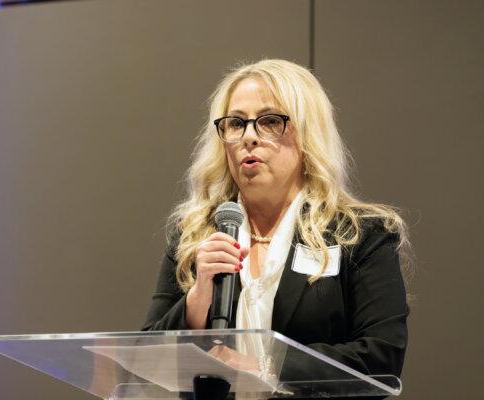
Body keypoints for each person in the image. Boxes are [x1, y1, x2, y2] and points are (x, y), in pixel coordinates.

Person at [141, 59, 411, 388]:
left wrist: (264, 367)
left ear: (308, 133)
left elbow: (380, 359)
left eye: (269, 121)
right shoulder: (194, 235)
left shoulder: (361, 235)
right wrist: (197, 302)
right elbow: (145, 362)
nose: (248, 137)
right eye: (236, 123)